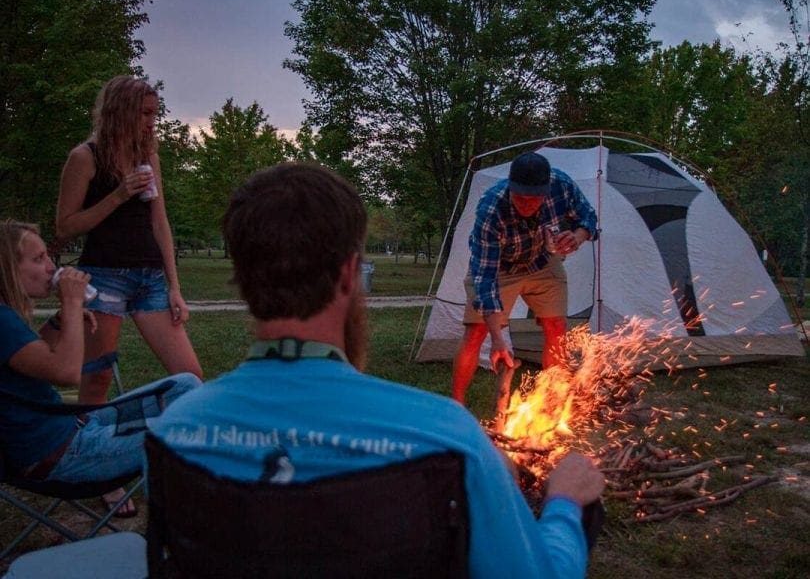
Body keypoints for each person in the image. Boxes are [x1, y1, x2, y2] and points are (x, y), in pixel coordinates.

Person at [150, 162, 605, 577]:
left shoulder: (172, 432)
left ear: (243, 277)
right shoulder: (446, 435)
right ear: (350, 275)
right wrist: (563, 503)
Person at [0, 220, 200, 510]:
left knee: (186, 384)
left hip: (75, 426)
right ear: (7, 268)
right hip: (63, 454)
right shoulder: (3, 321)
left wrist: (59, 320)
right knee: (193, 425)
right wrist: (72, 304)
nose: (50, 267)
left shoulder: (6, 317)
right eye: (38, 258)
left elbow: (33, 357)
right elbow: (66, 373)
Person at [55, 75, 202, 406]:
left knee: (189, 376)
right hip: (104, 277)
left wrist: (174, 287)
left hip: (149, 280)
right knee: (97, 381)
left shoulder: (148, 157)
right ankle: (85, 447)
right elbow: (65, 227)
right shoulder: (85, 157)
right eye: (145, 114)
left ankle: (162, 442)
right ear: (120, 112)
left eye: (155, 114)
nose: (152, 123)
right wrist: (119, 195)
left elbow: (159, 222)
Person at [452, 151, 598, 404]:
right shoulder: (491, 208)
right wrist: (498, 340)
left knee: (557, 327)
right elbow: (485, 282)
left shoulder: (561, 185)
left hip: (542, 261)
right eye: (520, 198)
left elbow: (590, 218)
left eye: (534, 199)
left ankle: (551, 400)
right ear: (510, 187)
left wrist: (578, 236)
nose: (527, 205)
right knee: (476, 331)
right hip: (499, 267)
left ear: (546, 190)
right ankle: (456, 403)